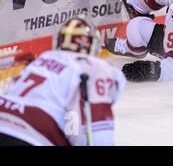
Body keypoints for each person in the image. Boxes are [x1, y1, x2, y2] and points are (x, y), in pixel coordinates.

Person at [0, 16, 125, 146]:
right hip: (35, 132)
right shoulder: (94, 67)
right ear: (92, 45)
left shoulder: (43, 58)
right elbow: (97, 132)